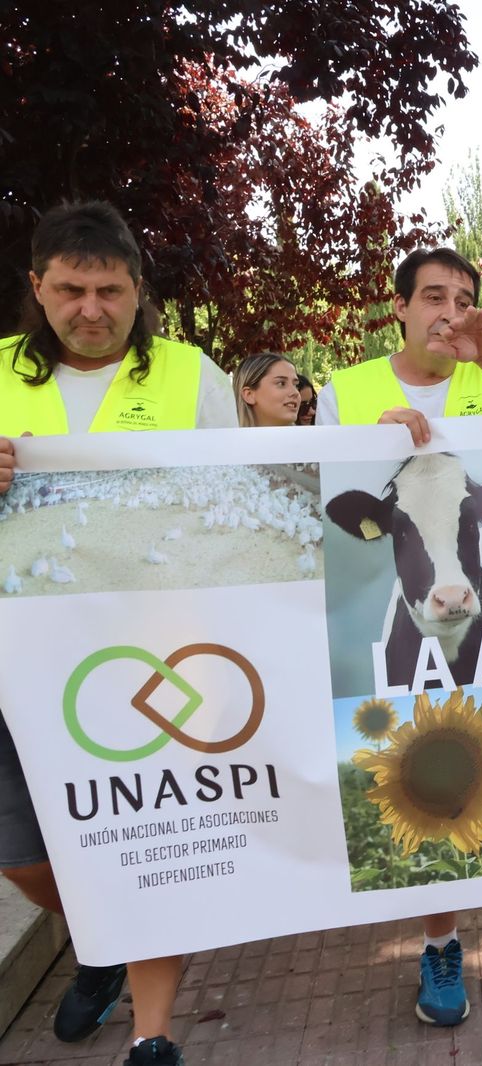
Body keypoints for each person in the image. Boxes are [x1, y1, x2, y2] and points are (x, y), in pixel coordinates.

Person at [314, 246, 482, 1064]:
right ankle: (440, 941)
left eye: (464, 299)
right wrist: (368, 445)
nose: (449, 312)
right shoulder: (345, 391)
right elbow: (312, 485)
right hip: (411, 626)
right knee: (429, 787)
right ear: (397, 306)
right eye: (433, 296)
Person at [0, 200, 240, 1066]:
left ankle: (152, 1036)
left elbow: (240, 501)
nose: (91, 309)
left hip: (153, 654)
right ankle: (97, 936)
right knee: (19, 852)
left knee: (148, 846)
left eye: (110, 290)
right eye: (71, 290)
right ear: (37, 286)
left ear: (139, 290)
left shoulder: (191, 375)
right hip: (18, 661)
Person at [315, 247, 482, 443]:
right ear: (401, 307)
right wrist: (378, 448)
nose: (451, 314)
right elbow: (325, 497)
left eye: (462, 303)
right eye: (435, 298)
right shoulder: (341, 393)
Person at [233, 353, 303, 427]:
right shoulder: (225, 437)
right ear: (249, 394)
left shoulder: (309, 437)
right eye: (281, 383)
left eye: (296, 385)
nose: (295, 392)